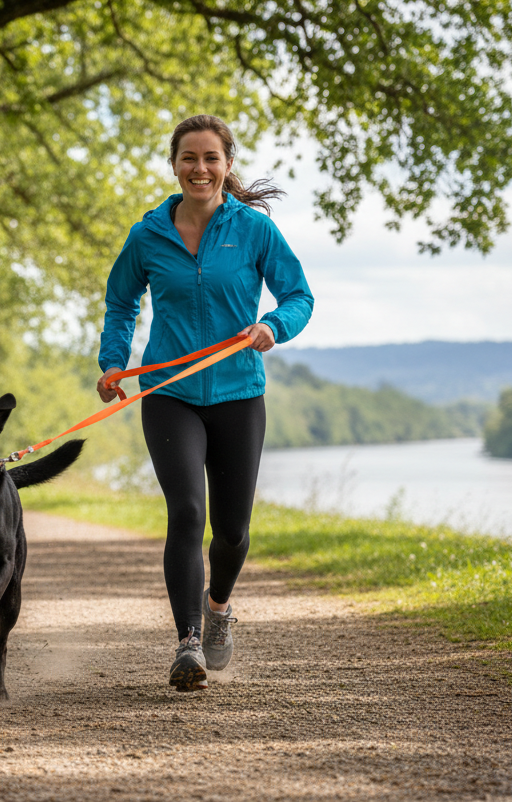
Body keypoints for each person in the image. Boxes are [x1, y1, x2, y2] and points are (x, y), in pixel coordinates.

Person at [96, 114, 314, 691]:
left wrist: (273, 325)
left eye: (210, 158)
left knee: (233, 531)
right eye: (189, 158)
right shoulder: (147, 235)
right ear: (174, 165)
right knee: (188, 513)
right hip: (169, 393)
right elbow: (121, 304)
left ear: (227, 164)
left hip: (239, 393)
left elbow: (299, 295)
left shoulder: (254, 230)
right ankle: (188, 641)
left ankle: (218, 607)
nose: (200, 168)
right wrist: (113, 362)